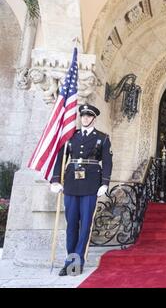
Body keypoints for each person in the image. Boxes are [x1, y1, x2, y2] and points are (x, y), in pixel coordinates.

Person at [50, 104, 113, 276]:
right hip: (70, 184)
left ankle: (77, 263)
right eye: (83, 116)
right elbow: (60, 158)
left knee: (85, 226)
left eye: (88, 116)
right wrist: (55, 180)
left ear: (94, 118)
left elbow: (107, 162)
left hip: (91, 185)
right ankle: (69, 261)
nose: (85, 118)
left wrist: (105, 183)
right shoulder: (70, 135)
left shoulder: (102, 138)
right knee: (71, 225)